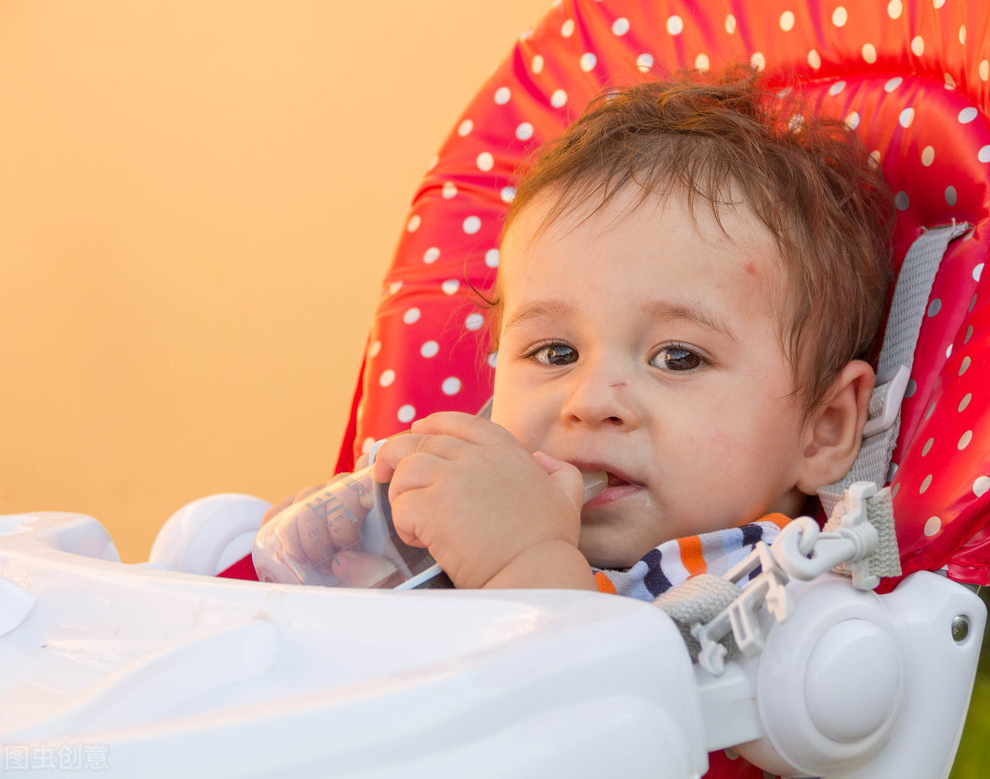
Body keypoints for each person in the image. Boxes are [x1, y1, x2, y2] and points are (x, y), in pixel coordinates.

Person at [268, 65, 895, 597]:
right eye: (555, 352)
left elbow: (609, 713)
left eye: (677, 357)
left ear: (824, 429)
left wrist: (522, 562)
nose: (592, 402)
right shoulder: (471, 503)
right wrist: (353, 556)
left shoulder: (779, 585)